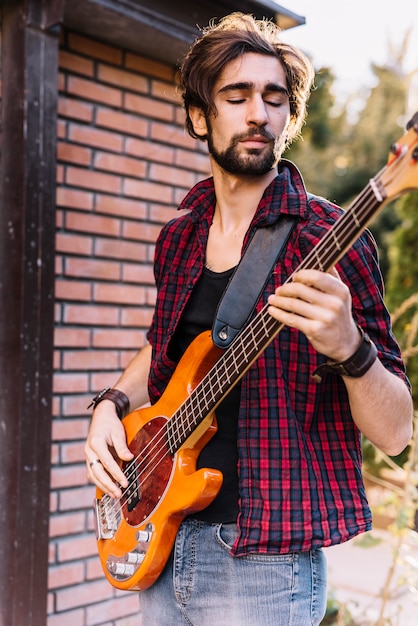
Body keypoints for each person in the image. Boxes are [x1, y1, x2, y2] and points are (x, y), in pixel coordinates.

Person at [85, 12, 413, 626]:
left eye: (273, 97)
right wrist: (109, 405)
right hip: (162, 536)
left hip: (265, 568)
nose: (258, 112)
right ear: (199, 116)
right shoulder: (178, 238)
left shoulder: (333, 238)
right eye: (235, 96)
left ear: (289, 116)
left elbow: (396, 433)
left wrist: (350, 347)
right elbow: (159, 353)